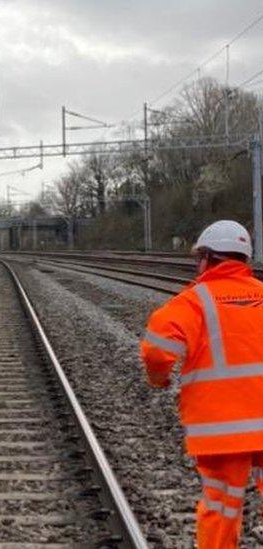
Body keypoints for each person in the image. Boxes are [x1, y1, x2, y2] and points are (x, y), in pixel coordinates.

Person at [141, 220, 263, 549]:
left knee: (222, 506)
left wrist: (159, 378)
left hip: (222, 429)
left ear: (207, 258)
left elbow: (157, 349)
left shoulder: (194, 302)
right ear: (244, 261)